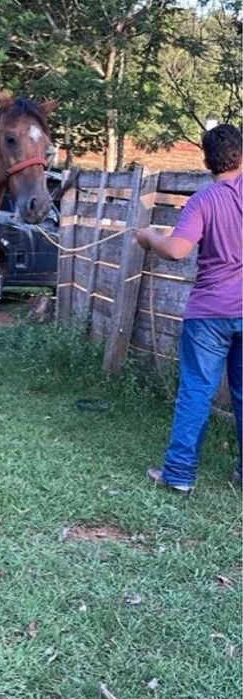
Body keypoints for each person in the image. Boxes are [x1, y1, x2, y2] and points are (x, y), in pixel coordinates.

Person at [135, 123, 242, 493]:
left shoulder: (204, 200)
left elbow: (178, 250)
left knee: (196, 391)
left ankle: (179, 475)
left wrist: (149, 237)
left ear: (207, 161)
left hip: (209, 313)